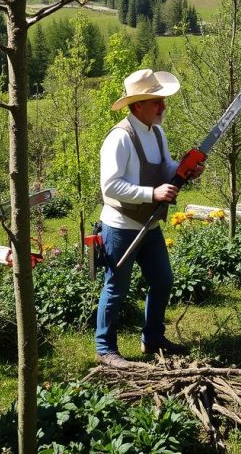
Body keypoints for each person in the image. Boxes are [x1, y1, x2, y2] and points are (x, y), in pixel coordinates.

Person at [95, 69, 204, 368]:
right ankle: (105, 349)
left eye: (161, 100)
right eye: (156, 101)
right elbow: (110, 187)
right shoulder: (119, 138)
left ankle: (152, 338)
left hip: (150, 224)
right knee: (116, 287)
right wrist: (151, 194)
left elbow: (165, 166)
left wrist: (184, 170)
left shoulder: (157, 132)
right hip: (120, 226)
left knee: (163, 280)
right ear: (136, 106)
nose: (162, 106)